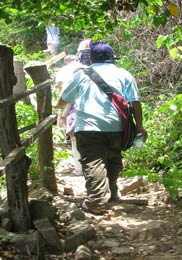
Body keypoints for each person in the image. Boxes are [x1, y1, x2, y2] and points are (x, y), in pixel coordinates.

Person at [55, 42, 147, 214]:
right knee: (113, 158)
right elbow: (135, 102)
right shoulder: (125, 74)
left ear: (90, 58)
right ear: (112, 58)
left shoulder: (81, 74)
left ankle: (97, 201)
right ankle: (111, 193)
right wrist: (140, 126)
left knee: (93, 161)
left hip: (89, 127)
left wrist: (56, 107)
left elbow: (64, 99)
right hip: (117, 126)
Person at [55, 55, 86, 176]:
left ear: (66, 62)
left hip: (73, 108)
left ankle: (79, 169)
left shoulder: (63, 71)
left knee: (75, 139)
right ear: (78, 60)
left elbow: (62, 90)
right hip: (90, 109)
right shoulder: (87, 68)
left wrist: (60, 111)